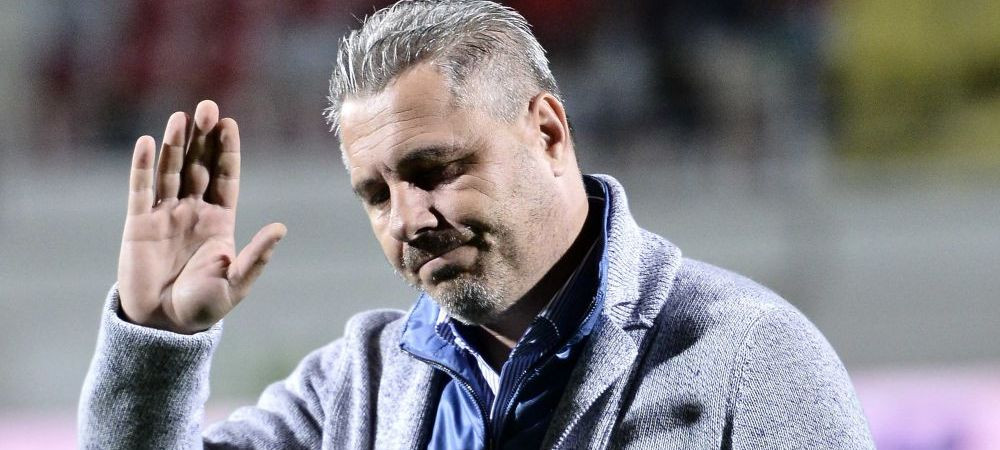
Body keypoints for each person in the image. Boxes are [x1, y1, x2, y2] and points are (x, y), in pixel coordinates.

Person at [79, 0, 874, 448]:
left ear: (548, 133)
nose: (409, 219)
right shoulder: (354, 390)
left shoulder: (748, 358)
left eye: (435, 171)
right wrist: (157, 341)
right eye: (376, 194)